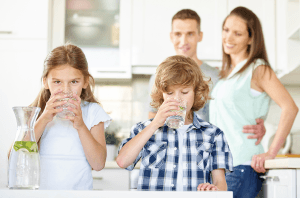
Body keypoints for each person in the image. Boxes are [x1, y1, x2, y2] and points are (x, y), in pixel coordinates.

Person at [209, 7, 299, 198]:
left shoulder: (258, 69)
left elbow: (290, 108)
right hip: (223, 168)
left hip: (242, 166)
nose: (228, 37)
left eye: (237, 33)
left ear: (251, 39)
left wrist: (271, 152)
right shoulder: (227, 75)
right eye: (226, 30)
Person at [147, 9, 266, 146]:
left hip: (207, 155)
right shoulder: (157, 77)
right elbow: (152, 122)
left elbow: (233, 115)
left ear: (200, 36)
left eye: (190, 34)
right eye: (178, 34)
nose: (183, 41)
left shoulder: (217, 76)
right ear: (171, 36)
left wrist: (258, 125)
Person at [116, 55, 233, 191]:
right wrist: (154, 124)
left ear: (196, 92)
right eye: (170, 93)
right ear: (161, 95)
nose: (177, 99)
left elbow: (221, 183)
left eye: (184, 92)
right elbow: (122, 162)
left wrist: (214, 190)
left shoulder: (213, 134)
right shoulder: (144, 129)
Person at [30, 44, 111, 190]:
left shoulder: (93, 112)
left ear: (85, 81)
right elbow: (14, 156)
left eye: (74, 82)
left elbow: (98, 164)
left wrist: (80, 125)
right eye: (57, 82)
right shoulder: (36, 112)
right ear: (45, 82)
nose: (66, 90)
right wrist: (43, 119)